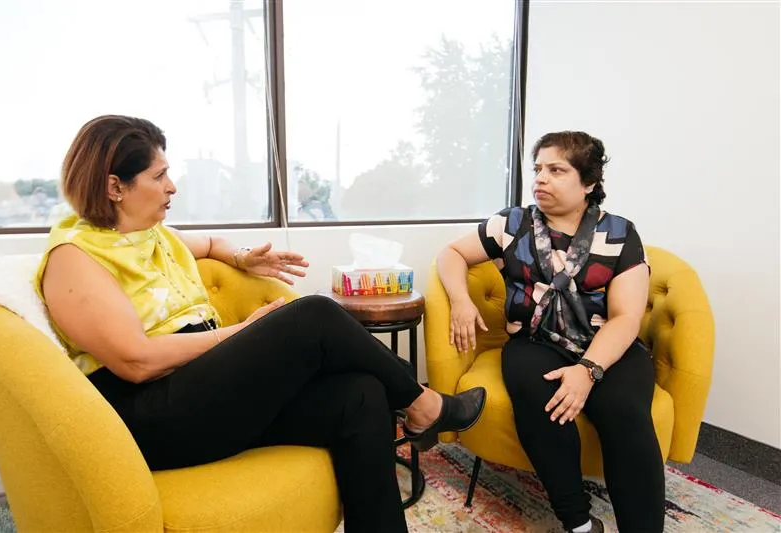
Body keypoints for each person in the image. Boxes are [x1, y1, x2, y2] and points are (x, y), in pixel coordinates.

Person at [34, 115, 487, 533]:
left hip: (202, 392)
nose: (172, 187)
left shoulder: (151, 237)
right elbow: (136, 361)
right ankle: (424, 405)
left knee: (361, 396)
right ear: (115, 186)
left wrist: (242, 256)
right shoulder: (75, 258)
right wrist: (241, 333)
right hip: (152, 414)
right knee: (314, 314)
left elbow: (210, 242)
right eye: (158, 176)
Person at [436, 131, 665, 533]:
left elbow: (626, 317)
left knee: (624, 413)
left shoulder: (620, 234)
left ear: (589, 183)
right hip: (535, 340)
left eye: (556, 170)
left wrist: (587, 370)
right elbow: (451, 253)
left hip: (607, 344)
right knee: (544, 404)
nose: (540, 178)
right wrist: (460, 299)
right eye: (538, 168)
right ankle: (577, 522)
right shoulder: (512, 223)